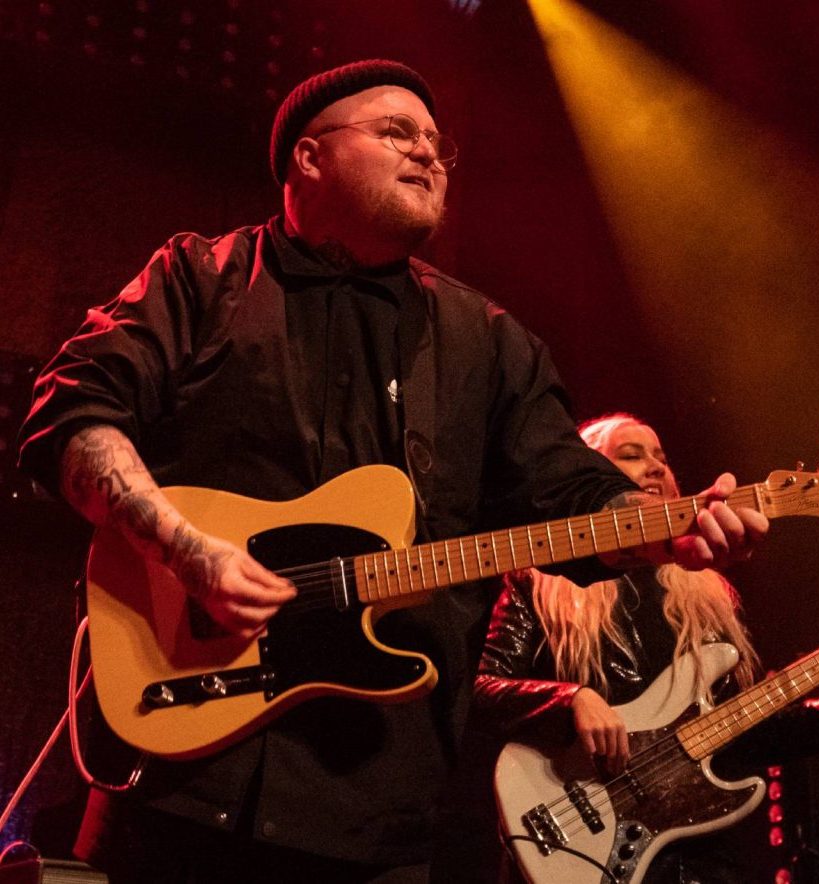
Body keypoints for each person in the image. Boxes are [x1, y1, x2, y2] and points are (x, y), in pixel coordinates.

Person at [17, 62, 768, 883]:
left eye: (438, 143)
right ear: (309, 157)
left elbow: (569, 489)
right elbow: (72, 412)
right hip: (174, 780)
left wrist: (665, 531)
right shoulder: (200, 276)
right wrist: (186, 549)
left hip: (373, 810)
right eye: (395, 133)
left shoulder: (490, 341)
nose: (428, 154)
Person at [470, 413, 819, 882]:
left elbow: (739, 732)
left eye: (662, 457)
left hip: (700, 860)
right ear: (589, 478)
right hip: (578, 841)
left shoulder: (709, 595)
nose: (656, 467)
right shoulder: (538, 582)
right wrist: (571, 700)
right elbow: (481, 689)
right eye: (631, 456)